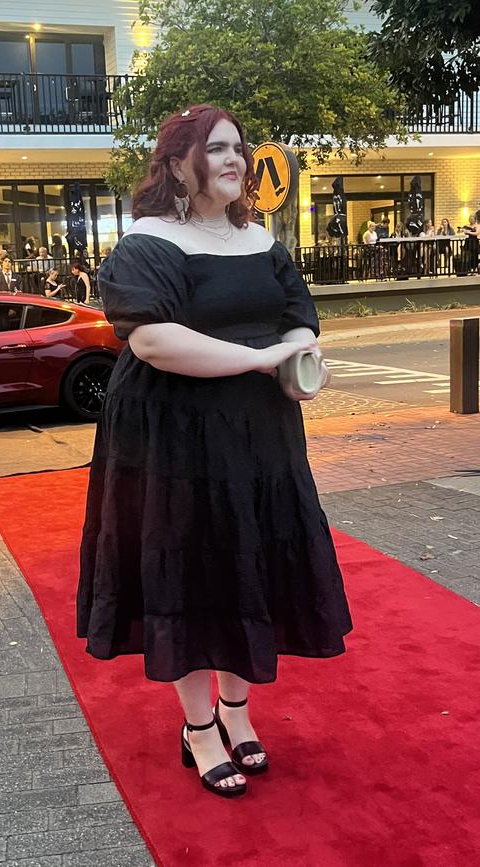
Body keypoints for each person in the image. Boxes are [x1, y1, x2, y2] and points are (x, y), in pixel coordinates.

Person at [77, 104, 352, 798]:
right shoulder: (147, 242)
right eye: (218, 149)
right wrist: (265, 361)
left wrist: (302, 365)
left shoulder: (260, 240)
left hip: (261, 439)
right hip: (174, 439)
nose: (236, 160)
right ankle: (198, 729)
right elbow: (154, 341)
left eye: (239, 148)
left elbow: (303, 325)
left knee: (248, 566)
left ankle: (237, 711)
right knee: (191, 577)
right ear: (177, 165)